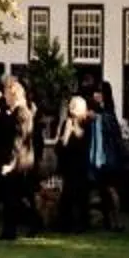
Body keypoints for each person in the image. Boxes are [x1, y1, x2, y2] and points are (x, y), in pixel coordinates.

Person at [0, 74, 38, 240]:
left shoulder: (20, 112)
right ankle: (18, 228)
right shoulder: (17, 112)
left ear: (13, 94)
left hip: (19, 161)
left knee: (14, 196)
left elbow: (19, 140)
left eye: (7, 94)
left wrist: (11, 163)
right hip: (20, 159)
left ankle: (12, 230)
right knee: (18, 195)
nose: (5, 97)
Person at [88, 80, 126, 230]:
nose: (95, 95)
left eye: (98, 92)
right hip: (97, 158)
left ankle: (117, 220)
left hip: (108, 159)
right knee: (103, 190)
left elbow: (112, 131)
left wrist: (97, 118)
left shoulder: (108, 113)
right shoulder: (95, 110)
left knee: (111, 189)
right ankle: (108, 221)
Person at [56, 95, 93, 232]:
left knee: (81, 195)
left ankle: (82, 223)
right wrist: (66, 133)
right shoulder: (66, 123)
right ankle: (65, 224)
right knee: (68, 195)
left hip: (81, 164)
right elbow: (61, 146)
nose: (71, 109)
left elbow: (84, 142)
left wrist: (74, 128)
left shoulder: (86, 123)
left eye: (73, 106)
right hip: (69, 165)